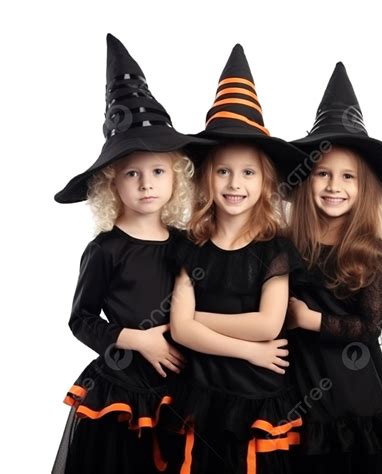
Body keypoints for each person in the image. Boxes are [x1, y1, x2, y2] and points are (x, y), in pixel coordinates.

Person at [52, 34, 213, 474]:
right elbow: (81, 319)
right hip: (120, 390)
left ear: (176, 177)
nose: (146, 184)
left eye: (158, 171)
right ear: (111, 184)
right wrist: (137, 339)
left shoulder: (187, 242)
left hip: (180, 386)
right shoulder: (105, 250)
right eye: (132, 174)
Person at [166, 44, 309, 474]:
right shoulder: (189, 245)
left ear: (264, 182)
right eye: (223, 170)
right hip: (204, 391)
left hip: (260, 395)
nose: (234, 183)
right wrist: (248, 351)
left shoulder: (275, 249)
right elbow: (179, 330)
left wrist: (195, 321)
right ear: (206, 177)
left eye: (248, 172)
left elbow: (268, 323)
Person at [286, 62, 382, 474]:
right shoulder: (286, 249)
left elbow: (370, 327)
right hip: (297, 384)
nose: (334, 186)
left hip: (354, 392)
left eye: (348, 177)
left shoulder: (369, 252)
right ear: (305, 181)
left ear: (363, 189)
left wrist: (309, 319)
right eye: (323, 174)